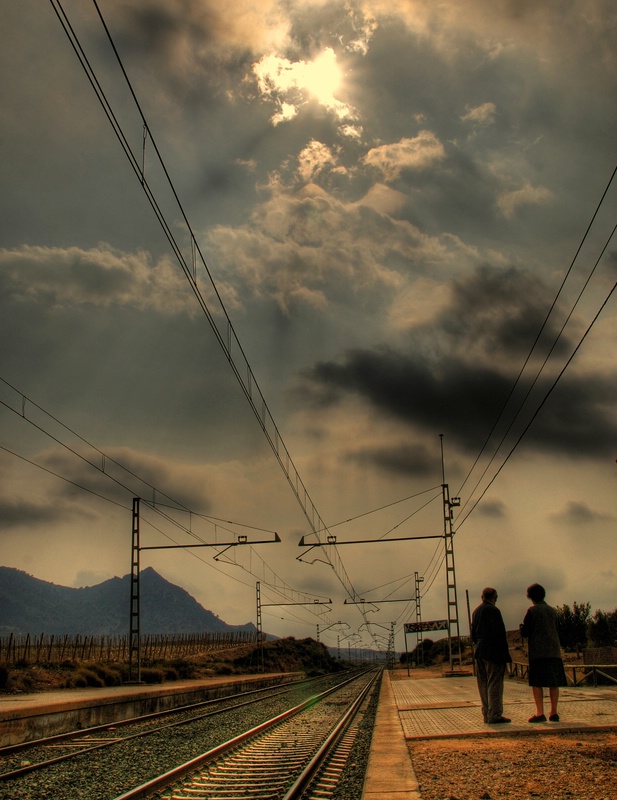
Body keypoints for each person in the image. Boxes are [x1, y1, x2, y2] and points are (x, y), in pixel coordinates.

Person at [520, 582, 567, 722]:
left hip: (538, 653)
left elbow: (526, 632)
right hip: (554, 651)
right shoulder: (553, 611)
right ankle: (554, 712)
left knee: (537, 683)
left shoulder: (532, 611)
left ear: (530, 597)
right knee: (554, 683)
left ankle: (540, 712)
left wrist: (522, 628)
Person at [471, 587, 512, 724]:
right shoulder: (494, 611)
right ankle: (495, 714)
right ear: (495, 597)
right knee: (494, 683)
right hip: (493, 652)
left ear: (482, 597)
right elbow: (499, 634)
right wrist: (505, 654)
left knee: (483, 683)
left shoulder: (476, 611)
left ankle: (486, 713)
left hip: (480, 651)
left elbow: (473, 635)